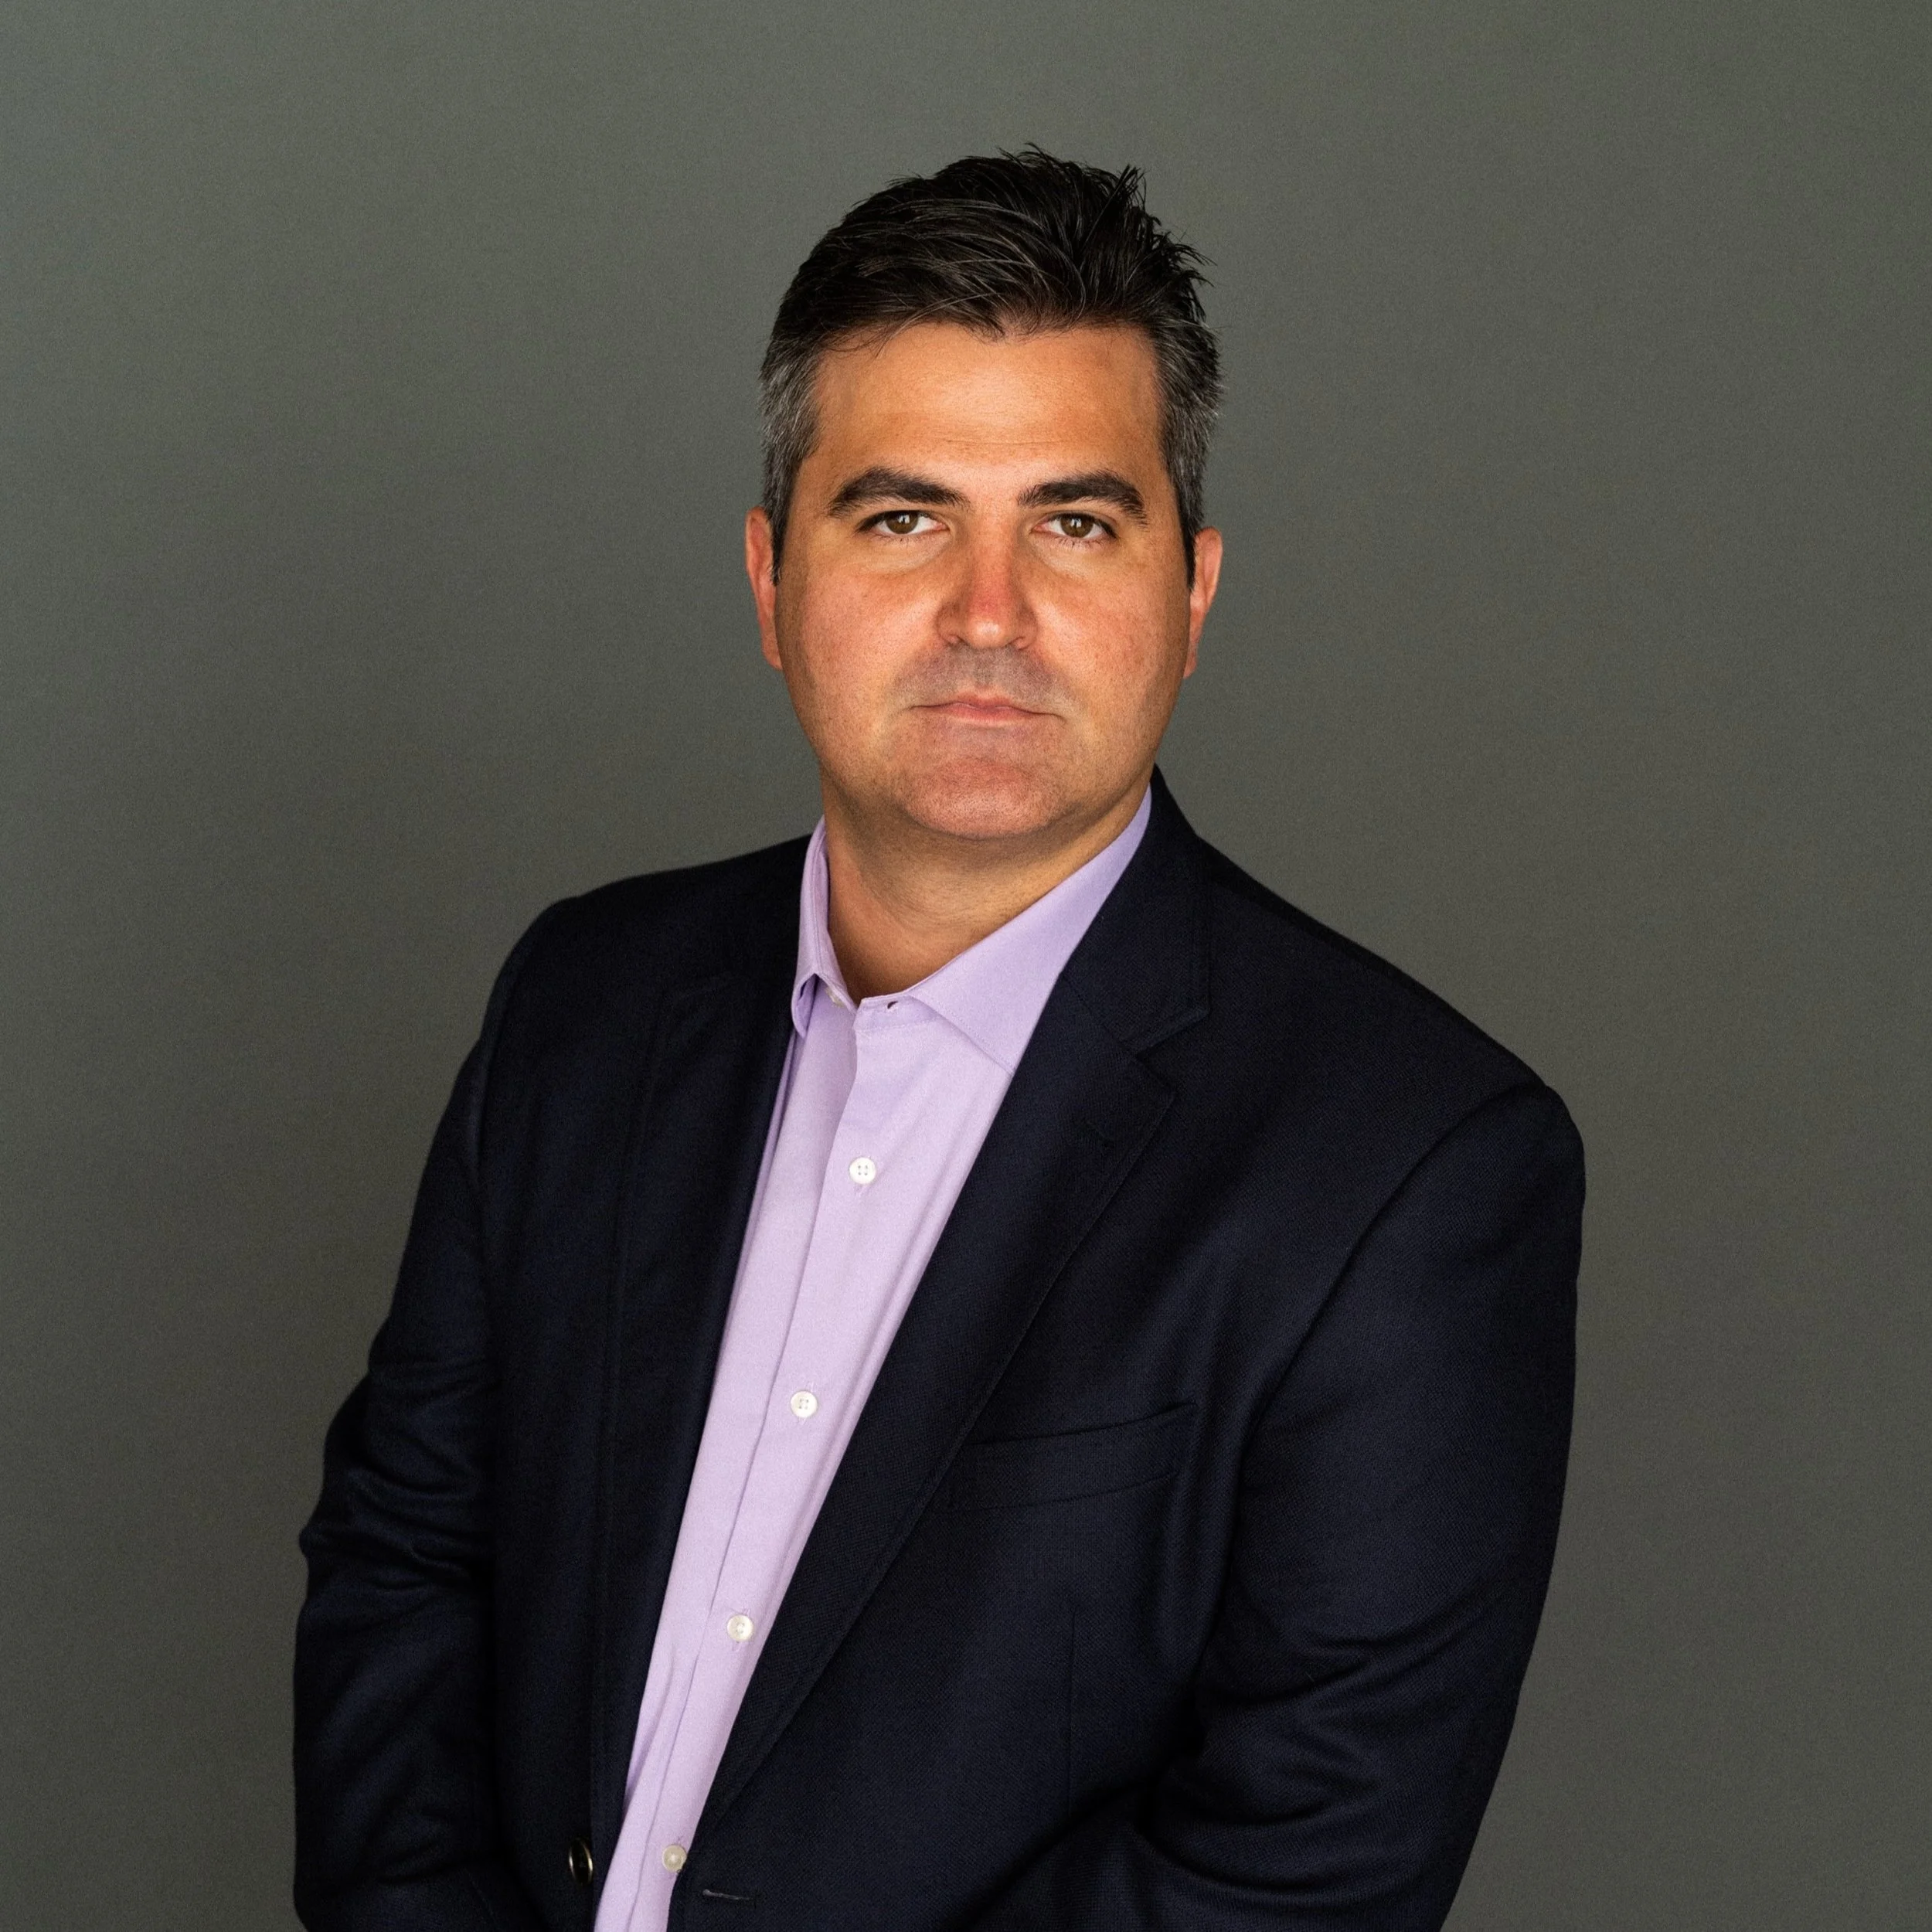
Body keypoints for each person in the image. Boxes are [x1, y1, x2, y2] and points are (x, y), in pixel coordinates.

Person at [294, 149, 1583, 1932]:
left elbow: (1296, 1862)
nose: (989, 614)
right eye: (901, 517)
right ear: (767, 580)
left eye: (1074, 520)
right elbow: (403, 1570)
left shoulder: (1411, 1168)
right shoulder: (582, 1005)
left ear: (1192, 592)